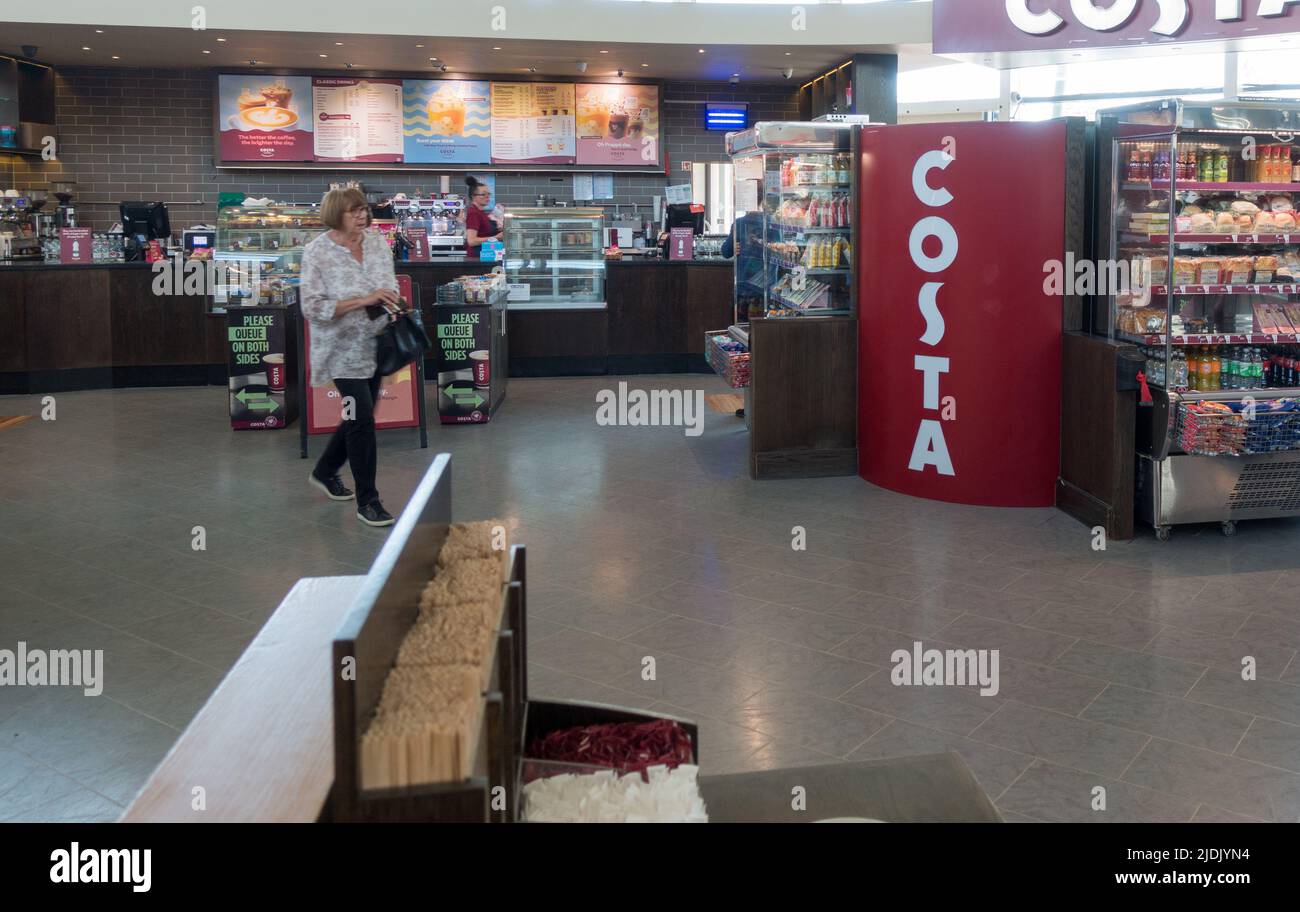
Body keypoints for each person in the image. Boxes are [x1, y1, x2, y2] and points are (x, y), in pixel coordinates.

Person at [300, 187, 405, 527]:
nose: (362, 215)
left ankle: (325, 470)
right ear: (335, 214)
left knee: (357, 415)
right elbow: (312, 307)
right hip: (338, 348)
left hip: (375, 343)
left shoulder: (376, 242)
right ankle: (368, 502)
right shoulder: (317, 252)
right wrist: (365, 299)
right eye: (353, 211)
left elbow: (389, 284)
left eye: (363, 209)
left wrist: (392, 300)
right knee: (360, 419)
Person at [463, 176, 501, 254]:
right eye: (483, 194)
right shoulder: (473, 213)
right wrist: (496, 237)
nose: (487, 197)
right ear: (474, 196)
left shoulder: (480, 212)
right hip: (477, 257)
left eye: (488, 194)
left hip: (485, 254)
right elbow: (471, 241)